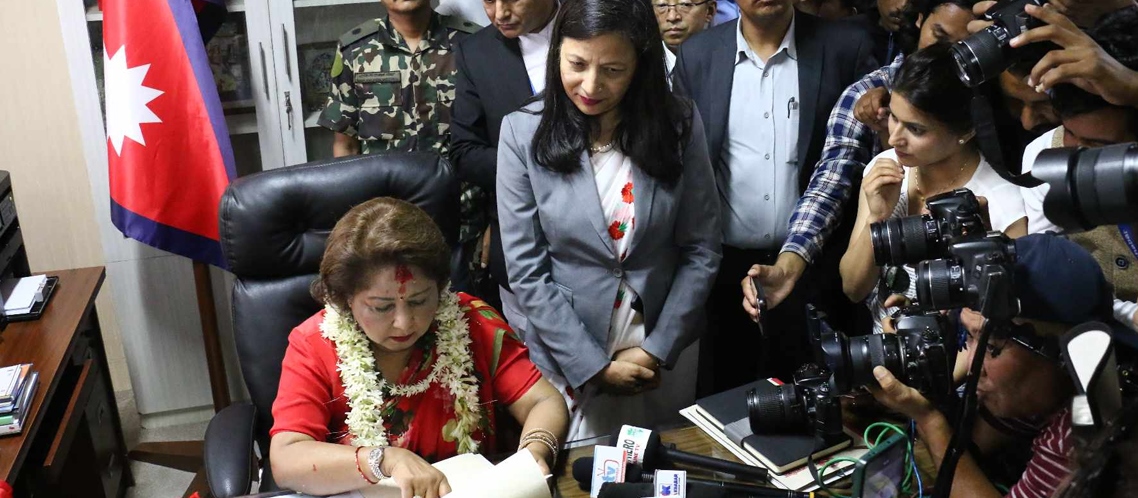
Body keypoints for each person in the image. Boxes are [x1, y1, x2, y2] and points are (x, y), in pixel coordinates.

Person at [496, 0, 721, 440]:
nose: (591, 85)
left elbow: (702, 248)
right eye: (577, 64)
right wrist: (592, 366)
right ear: (557, 54)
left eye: (613, 70)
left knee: (668, 457)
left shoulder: (677, 123)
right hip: (569, 349)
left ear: (640, 65)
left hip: (661, 346)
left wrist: (657, 349)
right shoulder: (522, 132)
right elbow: (526, 269)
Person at [269, 198, 569, 498]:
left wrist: (535, 451)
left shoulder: (471, 321)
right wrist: (384, 460)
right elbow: (286, 458)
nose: (403, 323)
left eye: (419, 300)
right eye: (381, 307)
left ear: (440, 287)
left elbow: (543, 401)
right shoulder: (314, 344)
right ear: (345, 298)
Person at [673, 0, 877, 391]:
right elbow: (681, 163)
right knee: (725, 397)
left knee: (818, 397)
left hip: (817, 269)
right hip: (725, 273)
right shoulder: (699, 55)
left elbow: (861, 155)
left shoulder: (844, 47)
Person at [757, 0, 975, 339]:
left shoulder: (996, 183)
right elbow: (830, 184)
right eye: (941, 37)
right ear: (919, 20)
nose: (952, 57)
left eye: (916, 128)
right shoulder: (871, 111)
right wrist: (791, 262)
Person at [869, 233, 1116, 498]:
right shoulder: (1037, 391)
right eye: (969, 336)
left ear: (1061, 353)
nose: (973, 365)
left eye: (991, 346)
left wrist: (929, 420)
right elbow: (971, 448)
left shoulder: (1081, 432)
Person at [840, 43, 1028, 334]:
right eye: (893, 117)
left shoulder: (1002, 202)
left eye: (916, 129)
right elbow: (853, 288)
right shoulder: (885, 168)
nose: (894, 138)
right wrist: (876, 219)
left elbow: (1002, 324)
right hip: (882, 349)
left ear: (967, 130)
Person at [318, 0, 483, 294]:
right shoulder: (355, 49)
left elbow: (496, 142)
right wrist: (353, 230)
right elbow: (346, 147)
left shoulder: (474, 43)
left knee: (465, 316)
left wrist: (498, 223)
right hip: (383, 233)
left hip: (462, 227)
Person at [1014, 5, 1138, 332]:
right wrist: (1129, 315)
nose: (1077, 155)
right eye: (1071, 133)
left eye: (1097, 145)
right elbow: (1051, 273)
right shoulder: (1043, 157)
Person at [449, 0, 559, 315]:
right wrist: (540, 167)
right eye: (488, 0)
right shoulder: (476, 52)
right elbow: (464, 152)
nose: (499, 13)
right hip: (522, 245)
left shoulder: (596, 28)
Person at [654, 0, 717, 78]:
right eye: (662, 5)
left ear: (709, 11)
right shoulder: (642, 66)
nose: (672, 17)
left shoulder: (725, 63)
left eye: (685, 4)